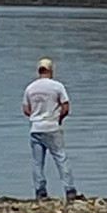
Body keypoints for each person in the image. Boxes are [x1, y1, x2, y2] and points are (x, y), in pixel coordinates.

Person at [22, 57, 81, 202]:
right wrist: (58, 118)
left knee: (37, 162)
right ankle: (70, 190)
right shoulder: (57, 86)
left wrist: (36, 117)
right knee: (61, 158)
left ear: (39, 71)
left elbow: (25, 109)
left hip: (35, 128)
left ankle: (40, 192)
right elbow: (66, 107)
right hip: (52, 127)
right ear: (51, 70)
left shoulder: (30, 88)